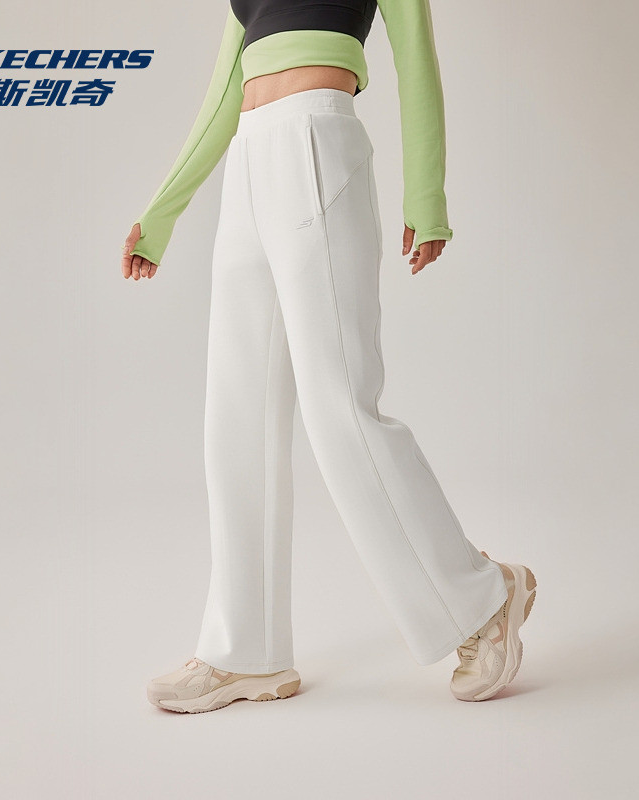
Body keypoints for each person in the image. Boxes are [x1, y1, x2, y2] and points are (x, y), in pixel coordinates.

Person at [123, 0, 537, 714]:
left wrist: (426, 195)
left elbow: (416, 58)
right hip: (248, 161)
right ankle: (244, 652)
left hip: (317, 141)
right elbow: (224, 91)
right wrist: (160, 214)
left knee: (339, 406)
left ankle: (482, 598)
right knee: (236, 417)